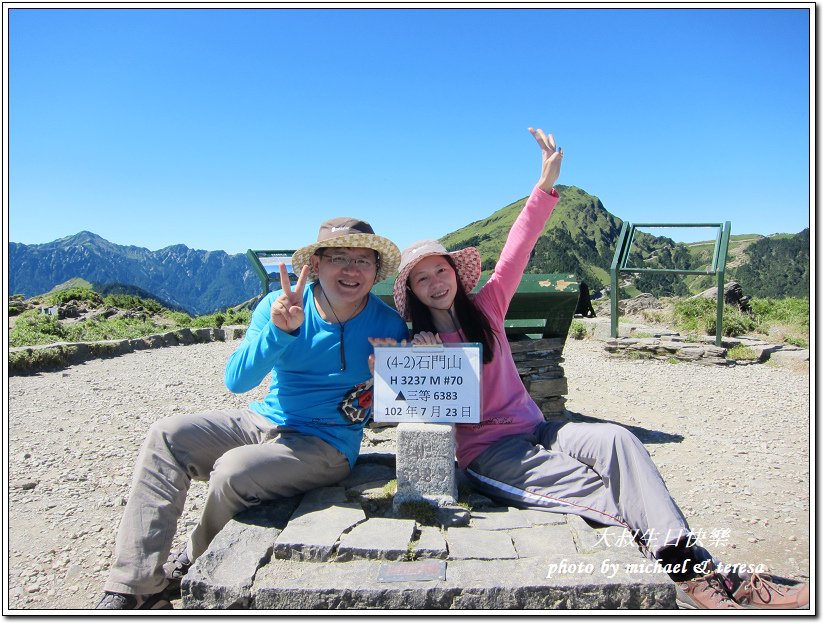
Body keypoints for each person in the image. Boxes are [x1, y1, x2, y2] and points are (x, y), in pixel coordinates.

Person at [392, 128, 809, 610]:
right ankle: (706, 579)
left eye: (439, 270)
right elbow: (419, 414)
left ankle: (704, 577)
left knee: (618, 440)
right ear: (415, 292)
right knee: (597, 489)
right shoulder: (417, 344)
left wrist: (543, 188)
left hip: (539, 429)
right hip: (488, 453)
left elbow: (516, 250)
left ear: (454, 273)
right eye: (422, 278)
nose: (434, 282)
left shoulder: (487, 308)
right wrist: (424, 360)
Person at [96, 217, 409, 609]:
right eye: (339, 257)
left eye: (363, 261)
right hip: (261, 419)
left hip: (326, 444)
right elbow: (237, 381)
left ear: (376, 271)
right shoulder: (279, 306)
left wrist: (386, 378)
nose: (351, 270)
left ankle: (192, 559)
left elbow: (393, 410)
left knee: (233, 471)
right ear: (315, 264)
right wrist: (279, 331)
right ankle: (135, 584)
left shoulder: (389, 324)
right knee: (167, 434)